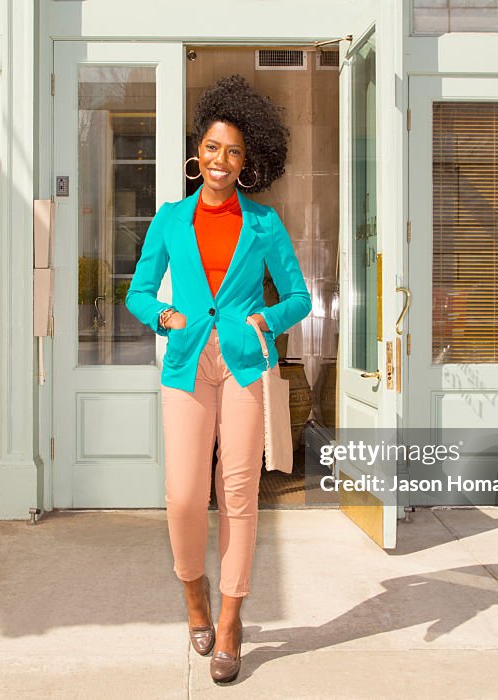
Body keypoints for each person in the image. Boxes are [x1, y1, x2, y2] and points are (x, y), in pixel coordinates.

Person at [125, 74, 311, 684]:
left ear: (246, 159)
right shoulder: (170, 220)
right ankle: (194, 595)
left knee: (238, 493)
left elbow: (300, 297)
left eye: (233, 151)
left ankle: (230, 620)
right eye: (211, 147)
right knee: (183, 494)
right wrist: (166, 315)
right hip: (186, 363)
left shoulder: (264, 224)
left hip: (242, 363)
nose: (220, 160)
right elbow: (138, 292)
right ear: (195, 153)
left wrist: (267, 315)